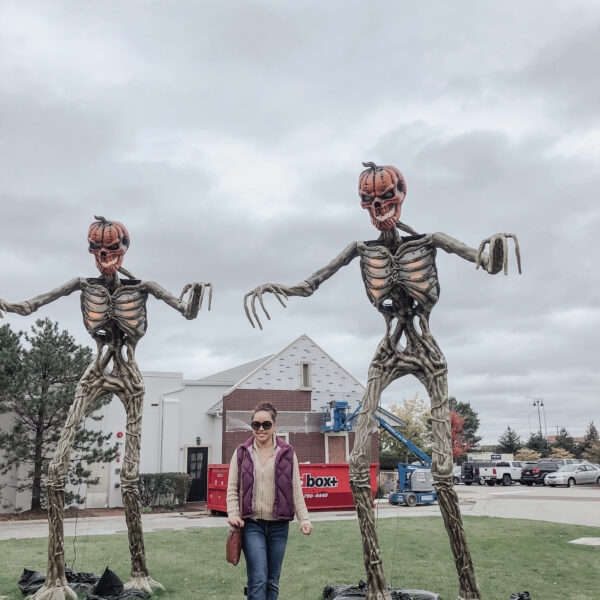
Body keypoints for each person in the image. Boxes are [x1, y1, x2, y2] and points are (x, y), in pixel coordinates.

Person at [227, 401, 313, 600]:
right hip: (252, 525)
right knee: (258, 579)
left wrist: (305, 520)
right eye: (256, 425)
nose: (261, 429)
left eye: (266, 424)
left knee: (272, 581)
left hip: (279, 526)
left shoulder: (288, 453)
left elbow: (296, 490)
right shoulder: (241, 452)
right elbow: (232, 488)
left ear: (274, 426)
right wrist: (233, 514)